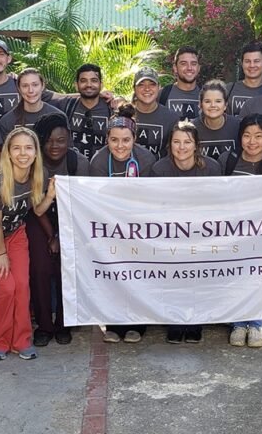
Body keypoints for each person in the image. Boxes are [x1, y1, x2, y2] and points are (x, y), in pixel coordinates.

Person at [0, 127, 57, 360]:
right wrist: (1, 254)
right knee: (5, 288)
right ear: (7, 153)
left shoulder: (37, 175)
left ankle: (21, 341)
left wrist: (49, 195)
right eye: (16, 148)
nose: (22, 153)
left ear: (36, 152)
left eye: (28, 148)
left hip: (16, 234)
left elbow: (37, 210)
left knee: (22, 286)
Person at [147, 120, 221, 344]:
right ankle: (175, 321)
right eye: (176, 142)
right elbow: (154, 206)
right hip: (170, 233)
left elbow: (219, 204)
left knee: (197, 278)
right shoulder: (159, 169)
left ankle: (195, 321)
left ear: (196, 145)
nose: (181, 147)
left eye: (187, 142)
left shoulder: (212, 168)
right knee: (173, 277)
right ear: (169, 144)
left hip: (202, 233)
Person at [90, 104, 156, 343]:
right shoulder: (98, 161)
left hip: (140, 226)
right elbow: (94, 199)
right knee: (114, 274)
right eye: (114, 140)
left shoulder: (146, 159)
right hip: (111, 226)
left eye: (126, 140)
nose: (120, 146)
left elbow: (153, 196)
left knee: (139, 273)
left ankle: (138, 324)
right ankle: (114, 323)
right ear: (107, 139)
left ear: (134, 139)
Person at [218, 114, 262, 347]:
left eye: (258, 136)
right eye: (246, 135)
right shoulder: (228, 160)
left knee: (258, 277)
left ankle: (256, 324)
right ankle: (237, 323)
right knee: (235, 277)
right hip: (231, 232)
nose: (252, 142)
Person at [29, 113, 90, 346]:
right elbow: (36, 205)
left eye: (61, 140)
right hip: (39, 217)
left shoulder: (78, 163)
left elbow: (82, 204)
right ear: (41, 140)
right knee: (41, 269)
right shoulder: (34, 163)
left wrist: (61, 235)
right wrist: (51, 236)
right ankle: (44, 325)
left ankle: (65, 323)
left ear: (69, 140)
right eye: (49, 140)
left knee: (67, 268)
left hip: (71, 219)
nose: (55, 146)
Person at [48, 64, 112, 159]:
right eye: (83, 81)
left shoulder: (112, 108)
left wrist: (120, 99)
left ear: (101, 85)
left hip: (101, 169)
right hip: (72, 168)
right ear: (76, 85)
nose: (89, 85)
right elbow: (38, 95)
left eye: (94, 80)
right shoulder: (65, 105)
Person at [0, 68, 64, 139]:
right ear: (19, 89)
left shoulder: (58, 116)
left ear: (42, 86)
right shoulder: (7, 121)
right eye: (25, 86)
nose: (30, 90)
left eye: (35, 85)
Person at [131, 66, 180, 158]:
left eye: (152, 84)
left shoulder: (171, 118)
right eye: (141, 84)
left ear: (159, 87)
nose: (147, 88)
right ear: (134, 88)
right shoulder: (125, 114)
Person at [192, 79, 239, 160]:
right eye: (207, 101)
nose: (213, 105)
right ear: (200, 104)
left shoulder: (238, 126)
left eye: (218, 101)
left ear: (225, 105)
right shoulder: (191, 128)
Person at [226, 42, 262, 116]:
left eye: (256, 61)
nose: (252, 65)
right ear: (242, 64)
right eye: (247, 61)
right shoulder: (229, 89)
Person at [159, 46, 201, 120]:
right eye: (183, 63)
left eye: (193, 64)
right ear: (175, 68)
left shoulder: (207, 95)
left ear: (198, 68)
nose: (189, 68)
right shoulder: (161, 95)